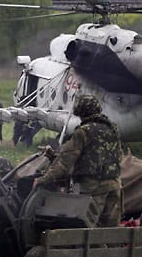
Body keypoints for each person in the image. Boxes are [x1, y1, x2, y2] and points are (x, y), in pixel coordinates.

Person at [32, 94, 122, 227]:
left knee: (88, 231)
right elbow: (118, 156)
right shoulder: (112, 129)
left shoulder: (82, 133)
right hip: (115, 185)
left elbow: (64, 162)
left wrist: (42, 180)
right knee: (110, 232)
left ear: (80, 112)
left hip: (93, 188)